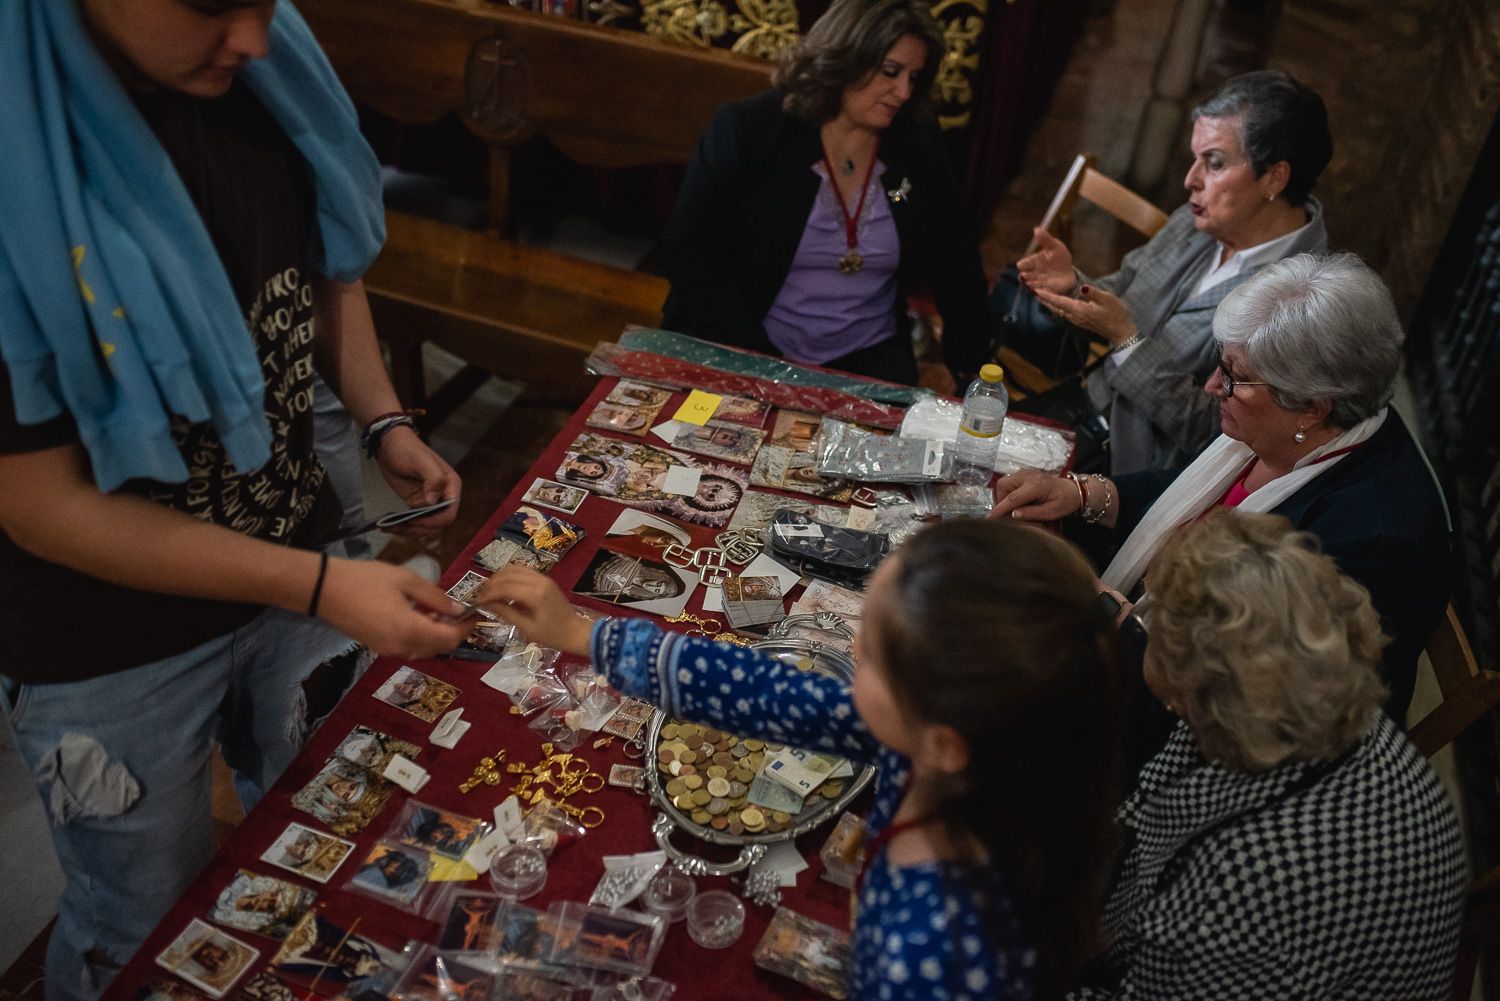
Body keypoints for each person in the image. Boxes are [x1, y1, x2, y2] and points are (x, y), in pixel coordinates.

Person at [0, 2, 474, 997]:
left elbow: (319, 272)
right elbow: (41, 504)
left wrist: (385, 420)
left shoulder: (264, 79)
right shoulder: (20, 166)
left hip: (290, 551)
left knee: (336, 834)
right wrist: (318, 584)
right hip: (106, 642)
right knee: (139, 923)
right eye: (214, 6)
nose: (257, 37)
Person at [478, 520, 1127, 1000]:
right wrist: (579, 632)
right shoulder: (971, 757)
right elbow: (761, 689)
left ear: (944, 740)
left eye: (867, 654)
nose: (850, 657)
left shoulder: (929, 947)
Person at [992, 252, 1448, 722]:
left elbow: (1249, 700)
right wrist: (1082, 494)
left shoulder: (1375, 543)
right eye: (1220, 363)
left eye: (1233, 376)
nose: (1212, 386)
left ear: (1312, 408)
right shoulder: (1289, 428)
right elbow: (1187, 497)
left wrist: (1107, 612)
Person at [1070, 511, 1466, 1000]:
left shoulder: (1237, 888)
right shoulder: (1314, 697)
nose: (1143, 626)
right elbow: (1157, 804)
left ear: (1192, 693)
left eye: (1155, 627)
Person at [1011, 70, 1331, 474]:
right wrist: (1074, 288)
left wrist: (1126, 339)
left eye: (1213, 163)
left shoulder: (1300, 300)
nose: (1190, 180)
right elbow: (1123, 292)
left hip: (1133, 468)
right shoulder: (1199, 221)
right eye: (1195, 158)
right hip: (1082, 404)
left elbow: (1214, 434)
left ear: (1274, 177)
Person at [659, 0, 989, 387]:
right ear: (842, 59)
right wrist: (761, 367)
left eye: (913, 78)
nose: (902, 92)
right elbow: (691, 254)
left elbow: (956, 256)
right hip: (744, 348)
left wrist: (974, 374)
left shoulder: (915, 139)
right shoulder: (750, 130)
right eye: (890, 72)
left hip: (871, 360)